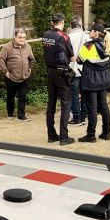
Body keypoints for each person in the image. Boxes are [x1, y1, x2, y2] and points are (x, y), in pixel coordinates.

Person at [41, 13, 74, 145]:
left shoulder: (46, 35)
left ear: (51, 22)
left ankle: (51, 134)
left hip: (50, 72)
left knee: (51, 104)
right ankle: (64, 136)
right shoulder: (63, 36)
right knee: (66, 103)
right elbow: (71, 56)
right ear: (62, 22)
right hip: (62, 72)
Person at [77, 22, 110, 142]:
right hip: (103, 81)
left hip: (91, 81)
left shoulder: (88, 46)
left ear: (96, 33)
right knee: (104, 106)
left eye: (91, 31)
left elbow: (79, 61)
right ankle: (106, 133)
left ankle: (91, 135)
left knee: (92, 109)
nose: (89, 32)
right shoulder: (107, 44)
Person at [0, 28, 34, 121]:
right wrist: (6, 72)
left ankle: (21, 116)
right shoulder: (7, 47)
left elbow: (32, 59)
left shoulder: (28, 47)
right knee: (10, 96)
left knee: (22, 96)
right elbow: (0, 59)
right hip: (11, 77)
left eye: (24, 37)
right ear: (15, 37)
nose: (22, 39)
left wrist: (30, 68)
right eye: (20, 37)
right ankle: (10, 113)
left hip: (24, 77)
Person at [66, 17, 89, 126]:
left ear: (71, 25)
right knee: (84, 94)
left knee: (74, 95)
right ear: (81, 24)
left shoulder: (67, 37)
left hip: (72, 70)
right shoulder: (87, 36)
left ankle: (76, 117)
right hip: (84, 69)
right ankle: (84, 117)